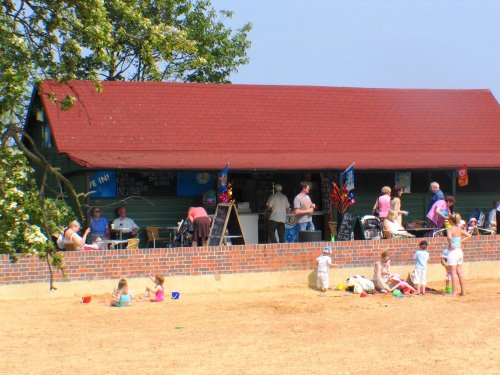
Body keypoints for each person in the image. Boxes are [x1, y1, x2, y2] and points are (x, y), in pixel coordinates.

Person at [447, 213, 472, 296]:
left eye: (449, 219)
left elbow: (449, 237)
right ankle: (463, 292)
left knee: (453, 273)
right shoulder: (459, 228)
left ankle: (454, 292)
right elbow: (469, 235)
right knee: (460, 272)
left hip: (453, 252)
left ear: (451, 220)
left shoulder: (450, 229)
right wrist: (461, 241)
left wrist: (450, 243)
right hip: (459, 251)